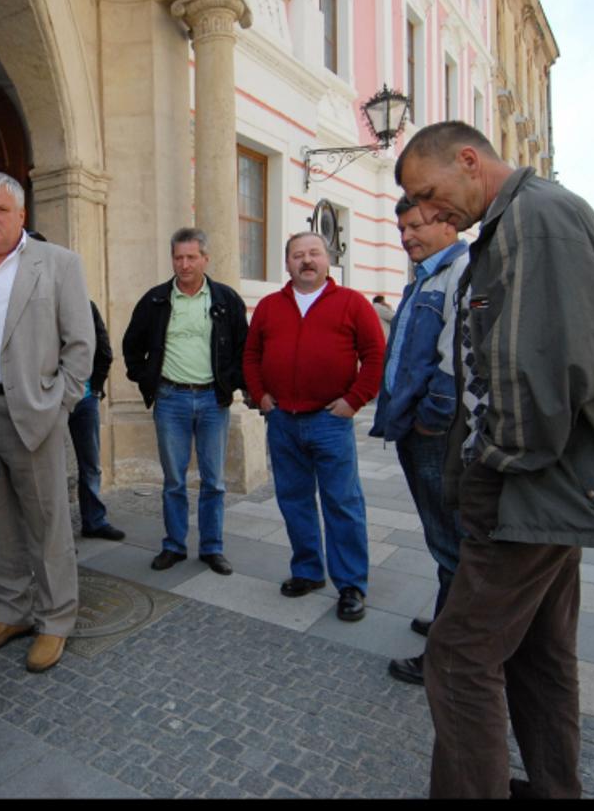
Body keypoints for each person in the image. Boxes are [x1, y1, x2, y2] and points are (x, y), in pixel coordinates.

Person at [396, 120, 594, 798]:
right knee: (540, 657)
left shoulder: (535, 221)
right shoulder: (523, 219)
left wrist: (490, 462)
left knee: (457, 661)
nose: (428, 213)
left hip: (526, 488)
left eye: (429, 194)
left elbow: (544, 373)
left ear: (468, 160)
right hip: (548, 487)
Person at [0, 173, 93, 674]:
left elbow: (80, 345)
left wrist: (60, 403)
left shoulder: (58, 265)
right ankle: (14, 611)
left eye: (0, 211)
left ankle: (55, 620)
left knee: (47, 523)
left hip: (34, 411)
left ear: (21, 215)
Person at [243, 233, 384, 622]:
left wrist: (354, 401)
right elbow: (252, 354)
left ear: (328, 259)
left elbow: (375, 356)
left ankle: (352, 584)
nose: (306, 261)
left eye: (313, 254)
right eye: (297, 255)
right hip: (283, 421)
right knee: (294, 500)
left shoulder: (352, 303)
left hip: (329, 422)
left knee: (343, 503)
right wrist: (261, 396)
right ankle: (307, 570)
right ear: (286, 263)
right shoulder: (270, 306)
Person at [370, 196, 469, 685]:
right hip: (414, 428)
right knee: (441, 539)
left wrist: (432, 419)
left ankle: (447, 655)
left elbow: (456, 358)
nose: (406, 236)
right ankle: (446, 619)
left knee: (452, 542)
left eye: (415, 227)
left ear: (448, 225)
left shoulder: (461, 272)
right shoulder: (426, 274)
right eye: (402, 229)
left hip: (434, 433)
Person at [121, 228, 248, 575]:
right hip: (170, 399)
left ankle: (212, 547)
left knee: (214, 480)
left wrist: (232, 382)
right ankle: (174, 545)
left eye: (192, 257)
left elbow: (243, 347)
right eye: (179, 257)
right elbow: (132, 344)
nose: (185, 264)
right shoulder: (155, 300)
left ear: (205, 259)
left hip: (212, 400)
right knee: (174, 479)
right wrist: (144, 376)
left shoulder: (226, 299)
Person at [71, 299, 126, 542]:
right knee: (49, 468)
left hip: (84, 400)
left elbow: (104, 349)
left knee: (90, 463)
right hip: (48, 402)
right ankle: (52, 531)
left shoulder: (86, 306)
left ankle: (94, 521)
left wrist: (95, 388)